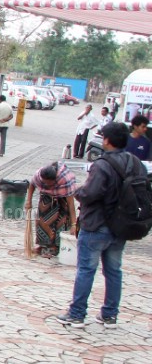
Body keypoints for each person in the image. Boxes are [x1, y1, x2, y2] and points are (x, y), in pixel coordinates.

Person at [56, 122, 138, 329]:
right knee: (113, 270)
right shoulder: (134, 162)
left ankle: (77, 314)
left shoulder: (102, 165)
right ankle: (110, 315)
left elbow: (91, 193)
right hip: (121, 226)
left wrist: (78, 191)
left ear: (107, 141)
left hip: (97, 225)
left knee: (86, 270)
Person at [26, 162, 78, 259]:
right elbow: (32, 184)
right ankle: (43, 246)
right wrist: (28, 201)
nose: (46, 184)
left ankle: (55, 247)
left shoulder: (64, 180)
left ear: (54, 180)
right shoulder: (39, 175)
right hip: (46, 197)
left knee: (60, 222)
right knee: (42, 221)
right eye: (44, 182)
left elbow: (71, 204)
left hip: (62, 197)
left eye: (48, 183)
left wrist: (74, 225)